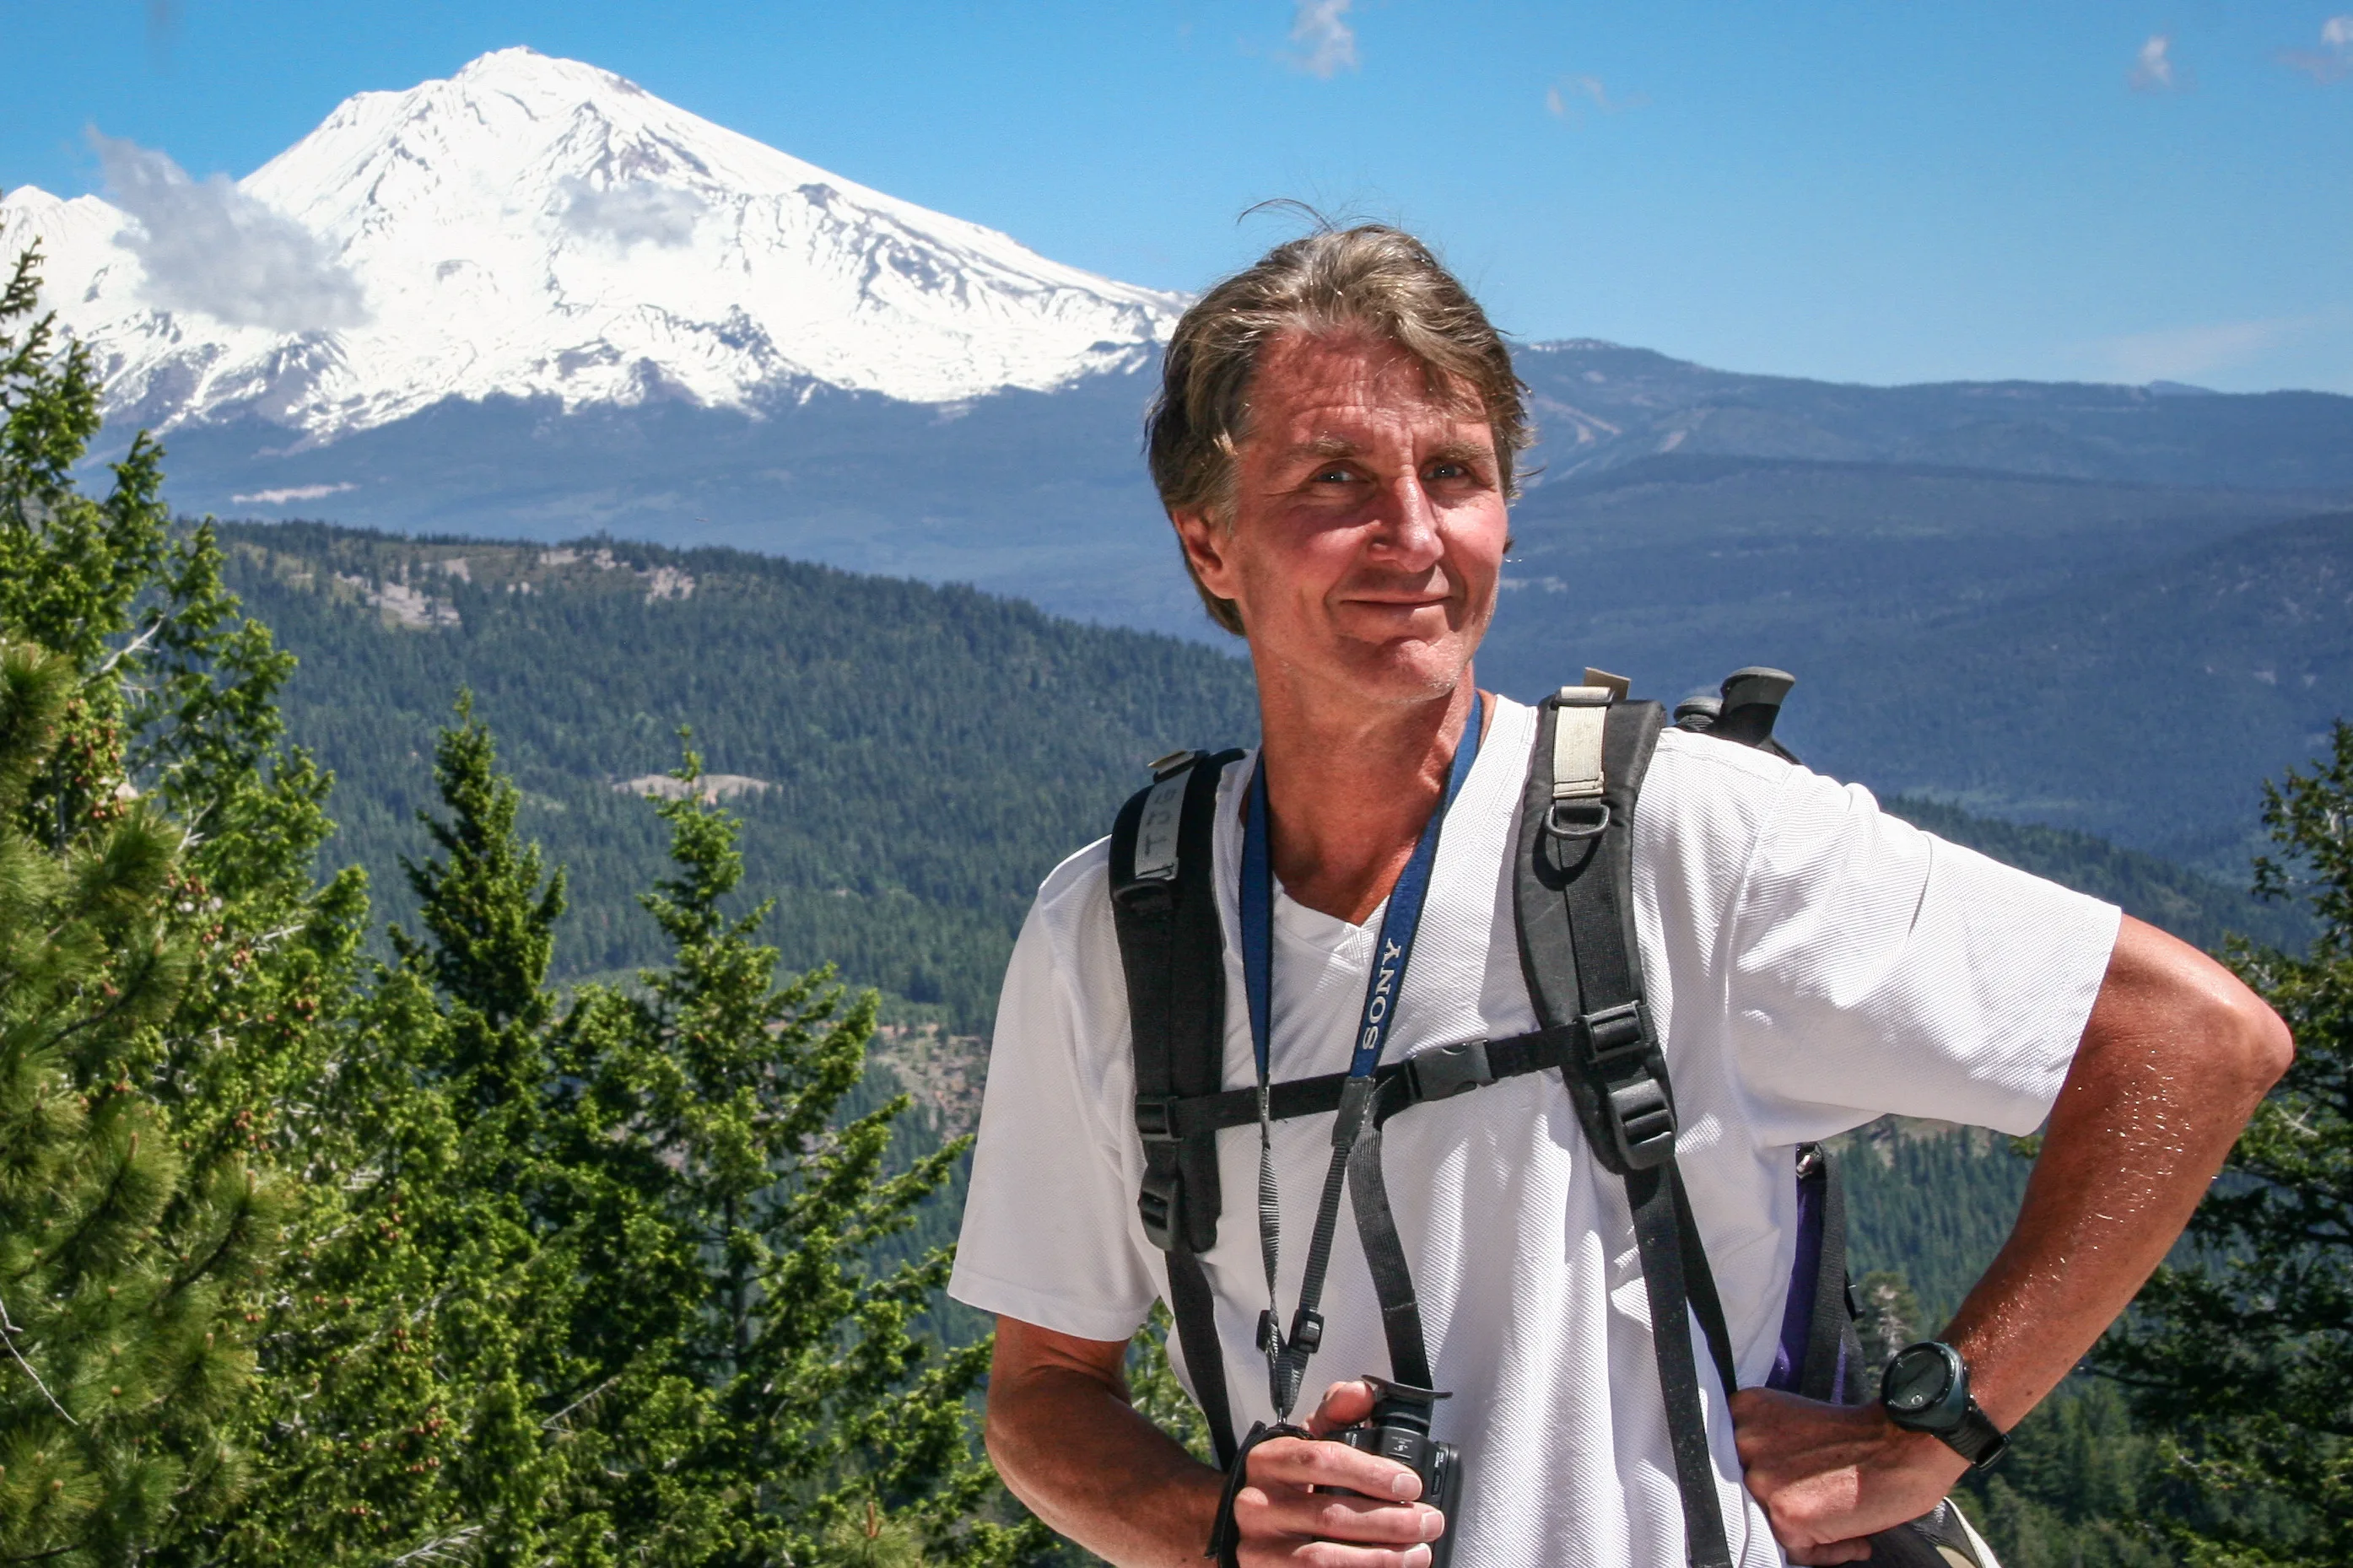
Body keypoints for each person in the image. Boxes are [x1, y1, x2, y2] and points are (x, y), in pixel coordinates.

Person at [947, 224, 2292, 1567]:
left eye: (1457, 474)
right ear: (1211, 545)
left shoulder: (1686, 838)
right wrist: (1221, 1535)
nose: (1412, 534)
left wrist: (1932, 1427)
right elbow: (1044, 1394)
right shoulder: (1120, 925)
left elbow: (2193, 1039)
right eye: (1337, 478)